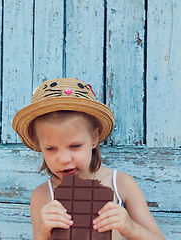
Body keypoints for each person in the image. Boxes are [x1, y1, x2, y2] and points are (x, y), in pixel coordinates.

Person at [12, 78, 165, 240]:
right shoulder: (42, 195)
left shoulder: (121, 184)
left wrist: (131, 228)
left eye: (75, 146)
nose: (64, 159)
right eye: (51, 148)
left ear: (94, 137)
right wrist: (43, 233)